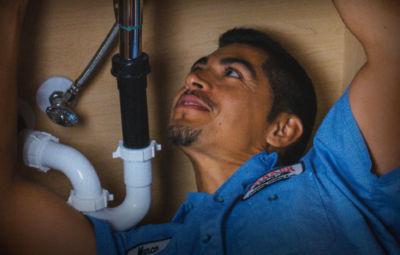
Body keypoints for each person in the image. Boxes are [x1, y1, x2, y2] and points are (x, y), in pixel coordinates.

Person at [1, 0, 399, 254]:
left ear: (281, 130)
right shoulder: (145, 245)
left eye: (232, 73)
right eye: (198, 69)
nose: (193, 79)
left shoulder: (335, 178)